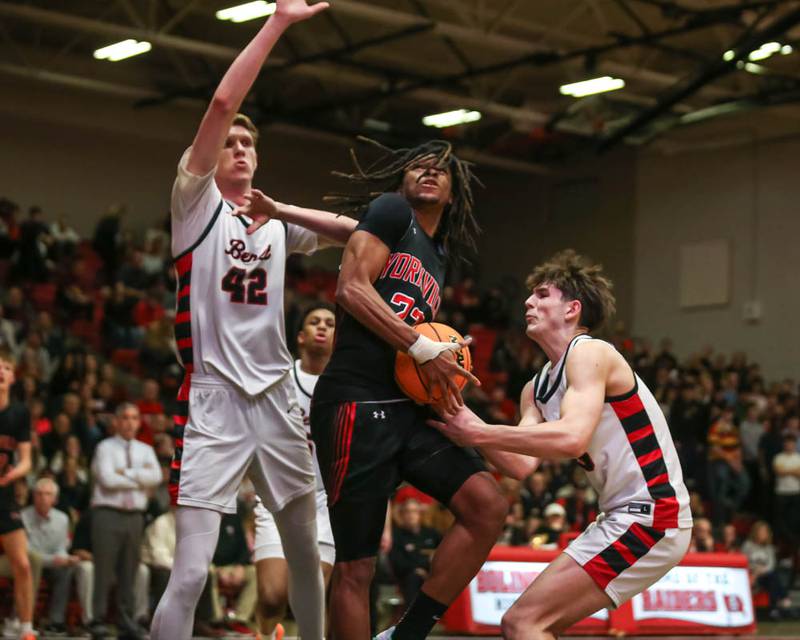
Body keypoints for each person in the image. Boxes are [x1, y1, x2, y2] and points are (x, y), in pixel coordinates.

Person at [149, 2, 356, 639]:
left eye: (248, 144)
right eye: (230, 143)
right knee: (190, 575)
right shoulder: (195, 204)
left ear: (259, 162)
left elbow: (355, 235)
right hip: (213, 400)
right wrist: (278, 23)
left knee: (305, 558)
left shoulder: (275, 222)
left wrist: (285, 208)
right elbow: (218, 107)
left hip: (276, 398)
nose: (238, 148)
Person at [430, 250, 693, 640]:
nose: (528, 302)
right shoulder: (534, 388)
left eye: (541, 294)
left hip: (653, 515)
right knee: (532, 624)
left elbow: (571, 438)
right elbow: (521, 466)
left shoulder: (591, 352)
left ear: (572, 308)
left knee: (524, 622)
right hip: (623, 516)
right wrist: (450, 407)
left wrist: (480, 432)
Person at [309, 138, 508, 640]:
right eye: (419, 163)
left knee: (488, 506)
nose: (429, 171)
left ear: (455, 196)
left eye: (442, 169)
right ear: (401, 179)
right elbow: (351, 288)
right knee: (357, 568)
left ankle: (408, 632)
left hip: (407, 406)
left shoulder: (438, 255)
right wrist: (422, 346)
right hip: (355, 400)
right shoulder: (392, 211)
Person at [254, 305, 336, 640]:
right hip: (278, 490)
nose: (322, 327)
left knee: (312, 600)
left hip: (325, 499)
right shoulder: (281, 376)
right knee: (272, 596)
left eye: (330, 324)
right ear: (300, 337)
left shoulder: (346, 384)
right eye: (314, 321)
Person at [89, 403, 161, 640]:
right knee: (104, 569)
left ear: (139, 422)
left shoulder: (145, 449)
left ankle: (126, 621)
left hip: (135, 516)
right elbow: (107, 479)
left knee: (130, 570)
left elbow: (157, 477)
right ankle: (97, 620)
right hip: (107, 514)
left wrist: (125, 473)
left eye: (134, 417)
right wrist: (140, 477)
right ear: (116, 422)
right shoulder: (104, 448)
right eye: (125, 418)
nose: (130, 422)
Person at [0, 348, 36, 640]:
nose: (1, 371)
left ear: (13, 377)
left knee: (22, 564)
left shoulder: (20, 413)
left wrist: (13, 474)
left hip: (4, 494)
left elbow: (26, 460)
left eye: (7, 367)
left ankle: (25, 628)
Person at [21, 478, 78, 636]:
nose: (43, 498)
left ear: (55, 499)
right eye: (39, 494)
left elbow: (61, 546)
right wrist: (53, 559)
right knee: (33, 563)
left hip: (52, 564)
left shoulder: (62, 519)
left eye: (47, 494)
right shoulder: (23, 517)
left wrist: (63, 558)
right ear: (33, 496)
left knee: (67, 569)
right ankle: (27, 619)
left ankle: (56, 621)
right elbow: (26, 551)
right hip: (30, 563)